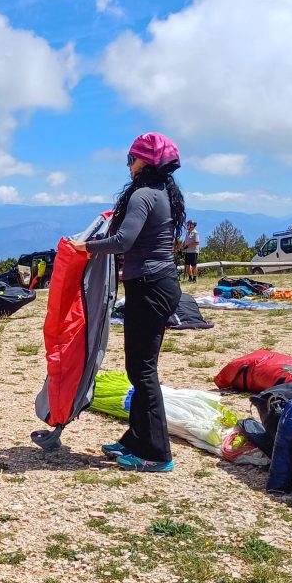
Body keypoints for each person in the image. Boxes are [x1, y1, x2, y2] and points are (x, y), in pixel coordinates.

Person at [68, 132, 185, 473]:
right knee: (139, 368)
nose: (128, 166)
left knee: (143, 370)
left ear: (145, 162)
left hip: (150, 287)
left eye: (131, 160)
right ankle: (135, 438)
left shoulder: (143, 194)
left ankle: (157, 453)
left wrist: (84, 247)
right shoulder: (162, 193)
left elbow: (123, 241)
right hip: (157, 285)